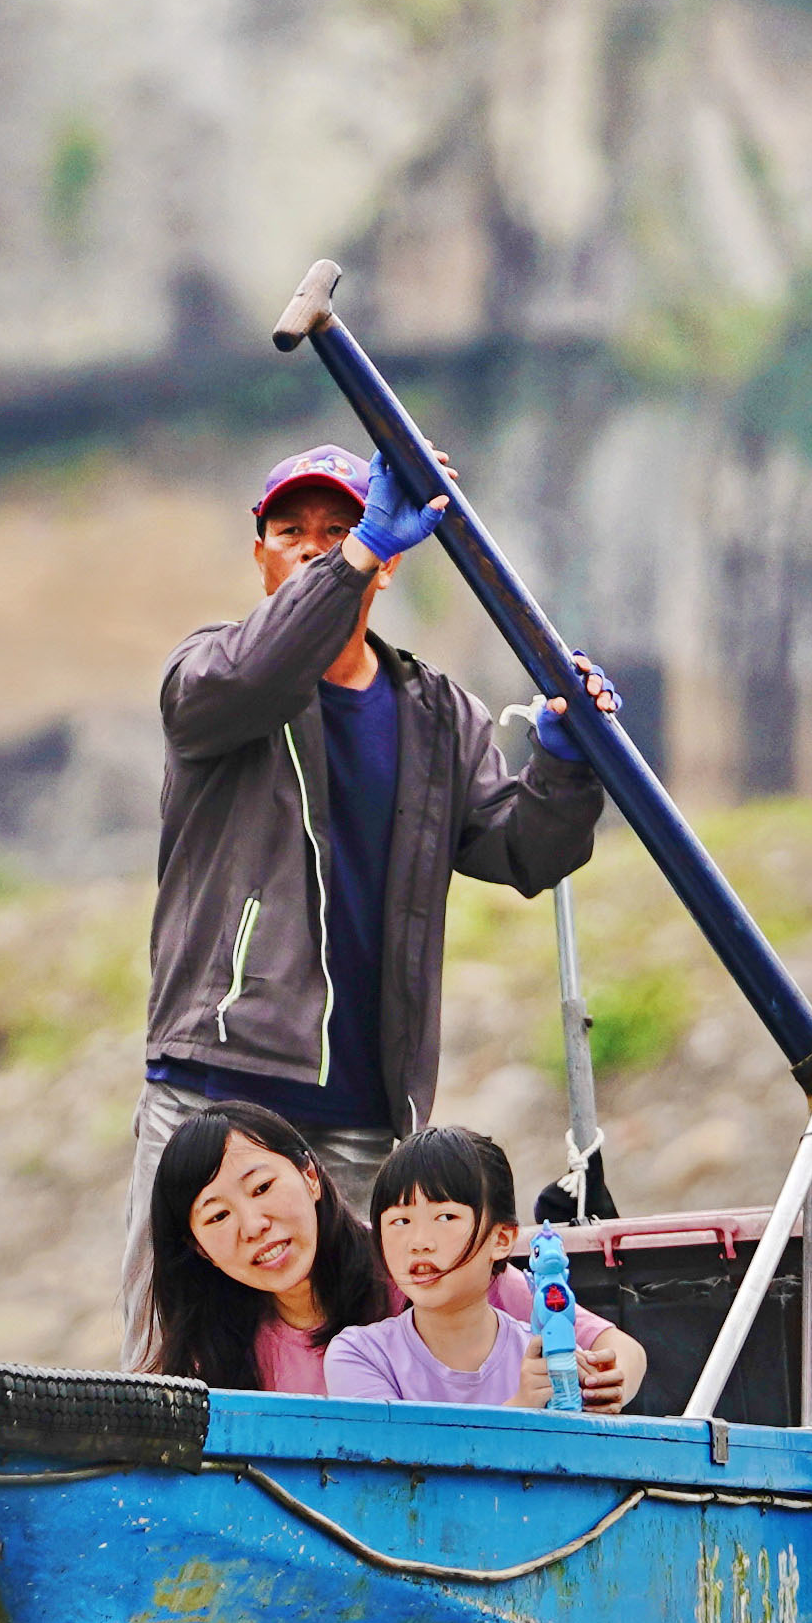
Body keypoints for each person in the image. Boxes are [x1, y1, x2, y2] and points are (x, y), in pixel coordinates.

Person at [125, 442, 608, 1356]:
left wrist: (567, 762)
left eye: (342, 530)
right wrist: (352, 557)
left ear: (389, 559)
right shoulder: (212, 674)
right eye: (292, 532)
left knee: (357, 1366)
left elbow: (522, 849)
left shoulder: (439, 714)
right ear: (259, 552)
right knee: (177, 1369)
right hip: (213, 1089)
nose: (315, 548)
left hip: (359, 1114)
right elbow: (249, 675)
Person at [324, 1125, 637, 1409]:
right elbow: (395, 1460)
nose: (419, 1242)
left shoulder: (542, 1358)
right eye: (400, 1221)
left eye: (445, 1217)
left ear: (501, 1239)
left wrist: (598, 1394)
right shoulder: (360, 1354)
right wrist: (522, 1410)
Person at [139, 1101, 396, 1393]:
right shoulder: (210, 1364)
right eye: (218, 1216)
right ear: (200, 1249)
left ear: (310, 1177)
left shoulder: (410, 1277)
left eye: (262, 1188)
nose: (253, 1226)